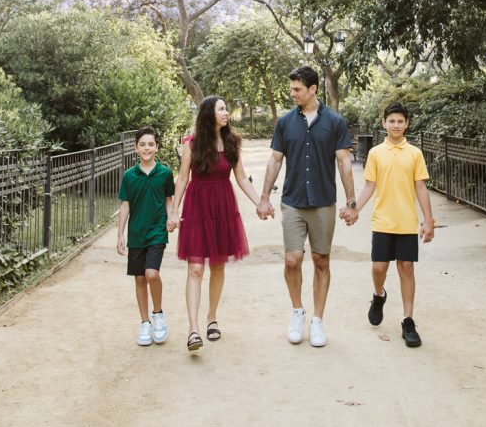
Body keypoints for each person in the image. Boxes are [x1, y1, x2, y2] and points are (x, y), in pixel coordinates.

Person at [257, 65, 355, 348]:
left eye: (297, 89)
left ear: (313, 90)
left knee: (321, 261)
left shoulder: (335, 122)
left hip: (324, 201)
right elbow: (275, 160)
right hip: (293, 201)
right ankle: (297, 311)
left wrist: (351, 203)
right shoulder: (286, 122)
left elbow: (344, 162)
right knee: (292, 260)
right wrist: (264, 197)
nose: (292, 93)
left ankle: (318, 321)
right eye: (291, 89)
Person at [170, 96, 266, 352]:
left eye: (225, 109)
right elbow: (181, 179)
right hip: (197, 207)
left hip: (223, 208)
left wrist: (259, 202)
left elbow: (242, 178)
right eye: (221, 109)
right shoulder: (192, 144)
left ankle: (212, 317)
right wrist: (173, 211)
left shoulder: (232, 142)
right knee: (196, 269)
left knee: (218, 266)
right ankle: (193, 330)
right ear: (208, 114)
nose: (226, 113)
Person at [341, 101, 434, 347]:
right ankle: (379, 295)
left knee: (406, 267)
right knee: (379, 268)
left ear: (407, 124)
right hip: (382, 221)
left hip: (406, 222)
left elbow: (421, 187)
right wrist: (354, 210)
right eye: (391, 121)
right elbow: (369, 186)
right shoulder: (375, 153)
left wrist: (428, 221)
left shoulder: (415, 153)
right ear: (384, 123)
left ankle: (408, 320)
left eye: (400, 121)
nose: (395, 125)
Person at [117, 126, 175, 347]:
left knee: (151, 274)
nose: (147, 148)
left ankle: (158, 315)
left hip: (157, 232)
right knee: (139, 278)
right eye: (143, 144)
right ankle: (144, 323)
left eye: (151, 144)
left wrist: (171, 217)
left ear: (157, 147)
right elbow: (125, 205)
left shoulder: (165, 173)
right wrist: (120, 234)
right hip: (136, 234)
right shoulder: (130, 176)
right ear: (136, 148)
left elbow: (169, 199)